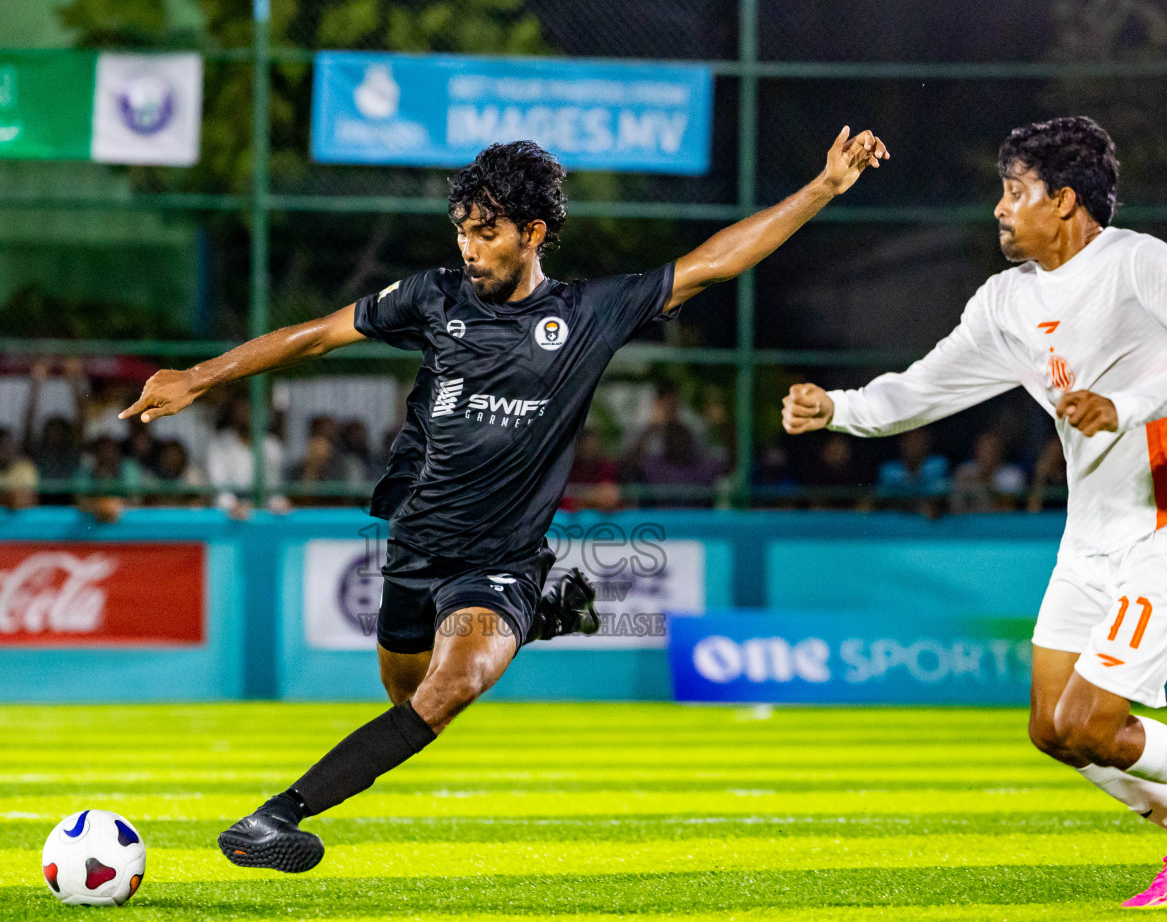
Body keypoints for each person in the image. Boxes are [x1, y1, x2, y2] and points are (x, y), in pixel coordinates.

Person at [122, 129, 887, 872]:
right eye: (462, 230)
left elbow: (714, 263)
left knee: (450, 690)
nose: (468, 246)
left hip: (500, 561)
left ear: (534, 231)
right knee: (407, 697)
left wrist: (822, 187)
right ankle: (551, 616)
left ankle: (276, 815)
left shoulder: (588, 315)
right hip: (414, 549)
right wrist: (200, 376)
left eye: (486, 232)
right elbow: (317, 336)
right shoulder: (433, 297)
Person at [782, 116, 1167, 909]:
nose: (999, 207)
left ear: (1065, 200)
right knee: (1052, 727)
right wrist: (837, 408)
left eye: (1017, 191)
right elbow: (926, 386)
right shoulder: (1007, 302)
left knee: (1093, 718)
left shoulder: (1140, 263)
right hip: (1095, 527)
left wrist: (1128, 403)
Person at [23, 358, 87, 505]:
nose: (54, 435)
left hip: (68, 505)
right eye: (51, 431)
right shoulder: (37, 452)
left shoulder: (71, 453)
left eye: (58, 431)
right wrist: (35, 386)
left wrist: (75, 383)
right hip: (40, 505)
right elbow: (28, 422)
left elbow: (82, 422)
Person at [876, 427, 949, 517]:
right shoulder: (888, 470)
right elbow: (883, 501)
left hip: (928, 519)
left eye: (917, 439)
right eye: (908, 440)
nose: (913, 444)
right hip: (897, 519)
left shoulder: (938, 465)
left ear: (926, 442)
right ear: (901, 444)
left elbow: (939, 498)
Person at [950, 431, 1027, 514]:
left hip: (998, 521)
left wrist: (983, 480)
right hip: (966, 519)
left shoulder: (1012, 474)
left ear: (999, 451)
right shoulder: (964, 470)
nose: (986, 453)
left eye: (991, 449)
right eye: (982, 449)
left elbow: (1007, 505)